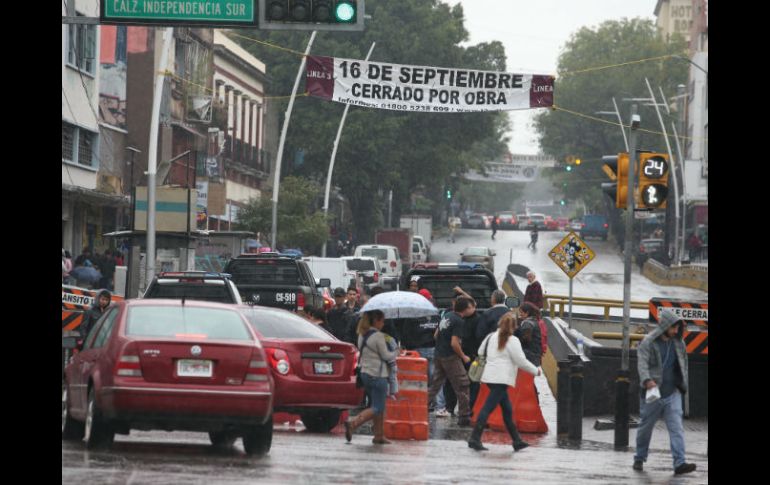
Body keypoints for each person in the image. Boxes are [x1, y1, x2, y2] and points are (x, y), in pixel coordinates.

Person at [633, 309, 696, 475]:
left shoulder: (679, 343)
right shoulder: (648, 342)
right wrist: (647, 380)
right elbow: (642, 364)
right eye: (673, 328)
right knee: (646, 427)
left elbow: (684, 365)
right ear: (665, 325)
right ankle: (639, 457)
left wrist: (683, 385)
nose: (676, 331)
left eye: (677, 328)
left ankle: (680, 463)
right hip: (653, 393)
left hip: (672, 393)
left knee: (676, 428)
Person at [468, 312, 541, 452]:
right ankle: (474, 438)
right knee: (487, 409)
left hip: (489, 377)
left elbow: (480, 352)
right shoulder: (513, 340)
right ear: (514, 327)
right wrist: (535, 371)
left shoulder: (490, 337)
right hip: (502, 379)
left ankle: (517, 440)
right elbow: (521, 361)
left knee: (507, 410)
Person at [344, 310, 399, 445]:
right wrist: (397, 351)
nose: (383, 323)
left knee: (377, 403)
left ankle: (379, 435)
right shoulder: (379, 336)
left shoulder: (362, 335)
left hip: (365, 374)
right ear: (376, 321)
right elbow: (386, 356)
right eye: (382, 320)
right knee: (378, 407)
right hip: (378, 374)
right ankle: (353, 423)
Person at [427, 296, 476, 427]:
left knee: (435, 385)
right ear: (465, 309)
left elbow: (436, 335)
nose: (473, 309)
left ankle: (419, 409)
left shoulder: (447, 315)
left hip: (439, 355)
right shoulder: (459, 321)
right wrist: (463, 356)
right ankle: (464, 416)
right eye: (471, 307)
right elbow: (454, 343)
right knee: (463, 385)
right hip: (451, 357)